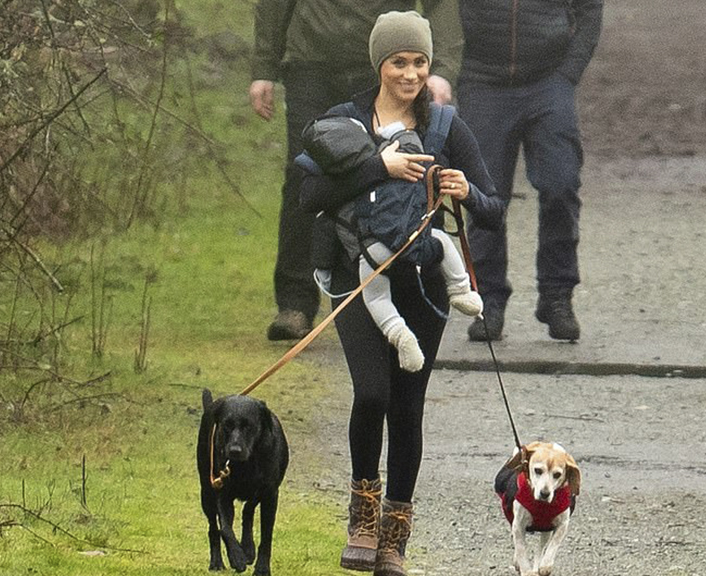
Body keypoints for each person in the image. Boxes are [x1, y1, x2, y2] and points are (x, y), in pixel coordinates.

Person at [298, 12, 503, 575]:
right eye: (399, 62)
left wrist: (465, 192)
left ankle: (394, 534)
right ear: (379, 65)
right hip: (357, 278)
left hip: (422, 279)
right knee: (371, 393)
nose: (410, 74)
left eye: (419, 62)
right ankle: (362, 513)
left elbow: (493, 209)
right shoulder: (343, 122)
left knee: (407, 405)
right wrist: (375, 166)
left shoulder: (446, 128)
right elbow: (306, 196)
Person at [250, 0, 462, 341]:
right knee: (304, 176)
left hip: (383, 63)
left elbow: (440, 5)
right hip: (311, 63)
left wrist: (442, 68)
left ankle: (406, 290)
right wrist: (264, 66)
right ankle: (295, 302)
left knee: (404, 173)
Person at [457, 0, 604, 342]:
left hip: (549, 80)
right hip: (481, 80)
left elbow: (590, 8)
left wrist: (569, 72)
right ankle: (488, 300)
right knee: (484, 193)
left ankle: (556, 296)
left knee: (561, 183)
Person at [297, 116, 483, 373]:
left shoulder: (338, 175)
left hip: (371, 250)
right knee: (442, 240)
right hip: (415, 236)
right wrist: (392, 143)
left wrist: (324, 272)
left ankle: (398, 333)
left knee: (377, 298)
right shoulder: (391, 148)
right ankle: (461, 290)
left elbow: (324, 226)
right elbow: (412, 146)